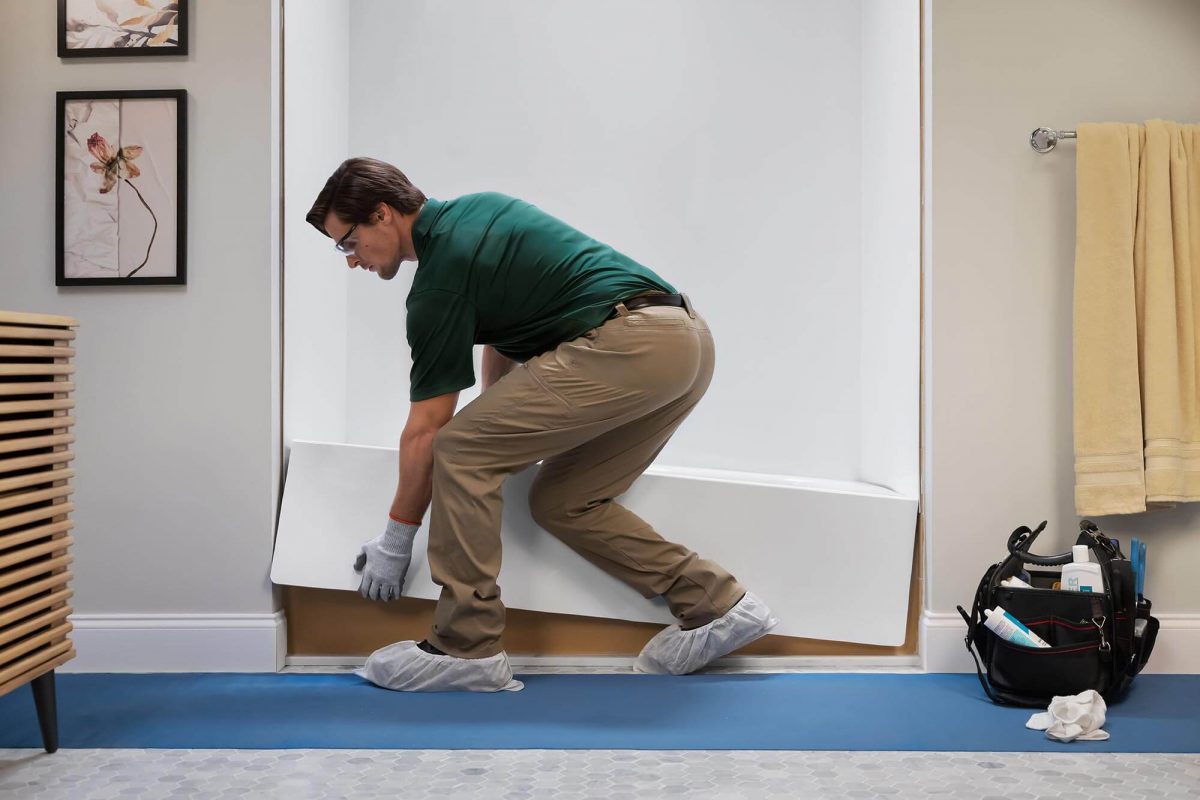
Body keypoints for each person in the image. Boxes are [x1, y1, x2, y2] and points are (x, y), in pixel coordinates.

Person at [306, 157, 779, 692]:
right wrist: (506, 422)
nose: (351, 261)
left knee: (459, 446)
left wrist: (396, 541)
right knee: (563, 500)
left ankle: (467, 645)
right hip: (684, 342)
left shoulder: (438, 285)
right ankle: (716, 604)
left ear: (382, 215)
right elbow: (508, 333)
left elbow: (428, 432)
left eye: (347, 243)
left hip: (630, 345)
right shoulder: (477, 213)